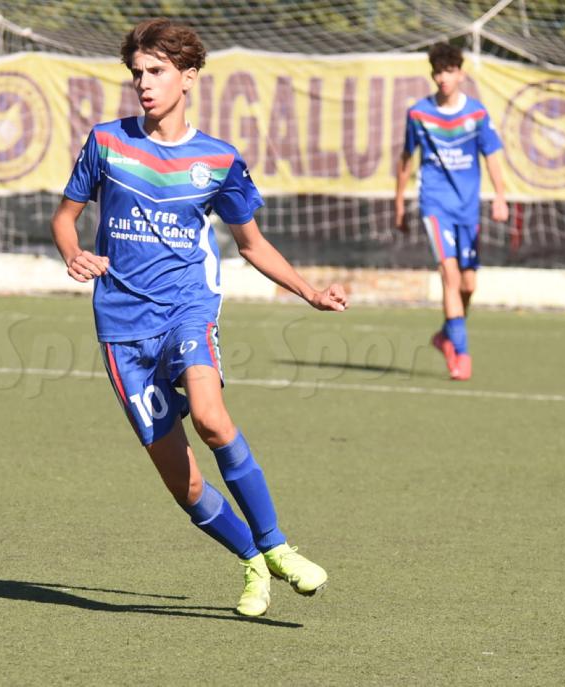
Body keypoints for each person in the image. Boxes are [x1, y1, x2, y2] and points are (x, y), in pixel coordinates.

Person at [51, 18, 348, 617]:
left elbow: (252, 245)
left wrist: (309, 292)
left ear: (188, 77)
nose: (144, 83)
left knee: (212, 419)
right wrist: (73, 252)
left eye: (157, 71)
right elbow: (64, 217)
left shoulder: (218, 159)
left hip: (188, 308)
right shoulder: (106, 143)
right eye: (137, 73)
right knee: (183, 483)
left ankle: (278, 546)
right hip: (121, 329)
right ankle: (252, 560)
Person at [394, 42, 508, 381]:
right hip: (435, 204)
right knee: (450, 274)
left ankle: (447, 334)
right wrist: (399, 204)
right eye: (438, 72)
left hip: (467, 207)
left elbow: (492, 157)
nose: (443, 78)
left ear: (460, 74)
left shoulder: (476, 114)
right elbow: (405, 160)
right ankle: (461, 355)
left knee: (468, 285)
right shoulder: (419, 114)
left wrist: (501, 197)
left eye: (449, 71)